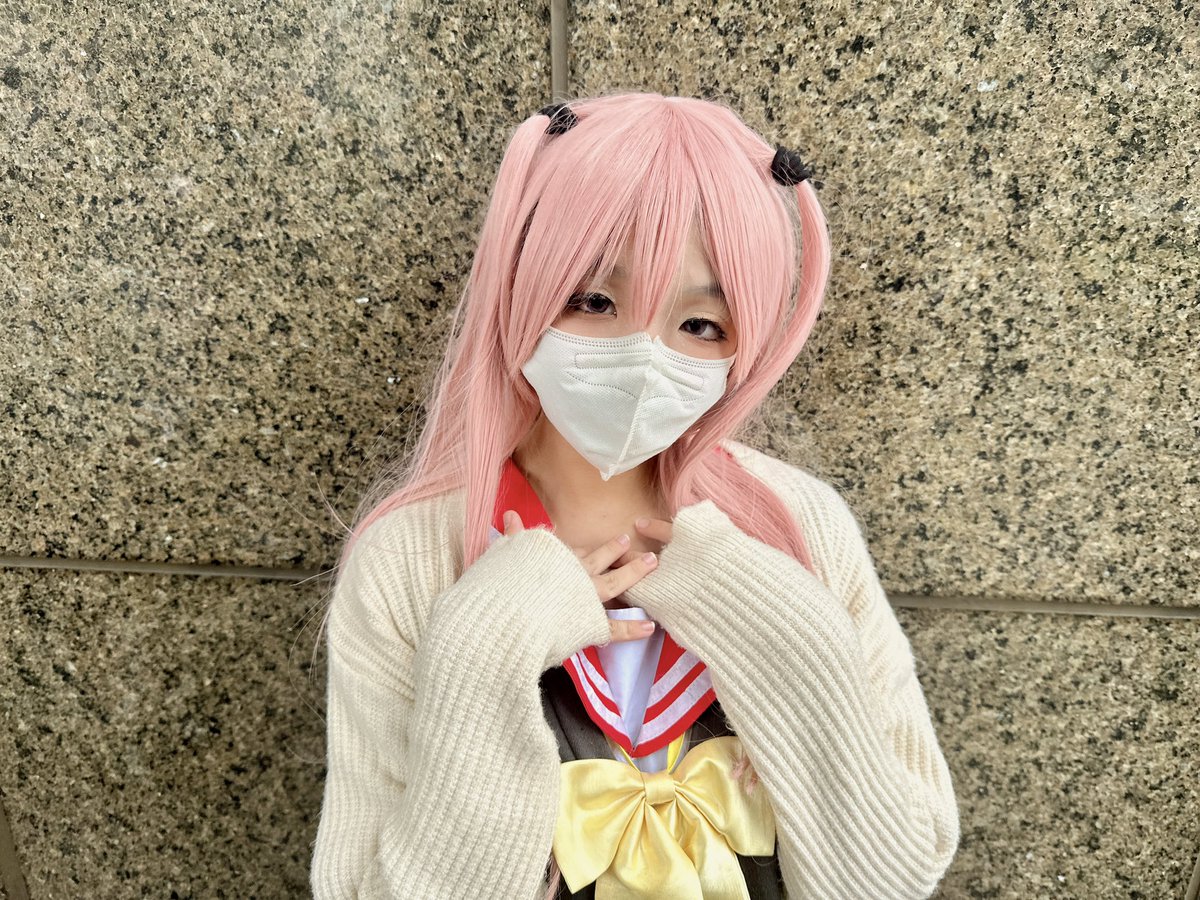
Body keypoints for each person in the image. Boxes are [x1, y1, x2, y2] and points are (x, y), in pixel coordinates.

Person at [310, 91, 960, 900]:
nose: (643, 359)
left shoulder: (800, 524)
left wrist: (794, 642)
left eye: (701, 325)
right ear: (522, 284)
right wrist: (482, 653)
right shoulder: (410, 556)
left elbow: (895, 878)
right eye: (594, 301)